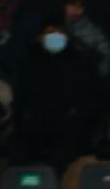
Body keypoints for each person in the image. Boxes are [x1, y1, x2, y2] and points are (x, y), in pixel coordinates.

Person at [8, 18, 104, 177]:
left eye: (60, 32)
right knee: (18, 150)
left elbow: (93, 99)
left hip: (70, 125)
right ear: (39, 37)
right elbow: (20, 100)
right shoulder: (29, 64)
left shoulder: (82, 63)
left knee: (62, 150)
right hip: (35, 124)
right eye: (50, 32)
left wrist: (76, 115)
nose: (56, 36)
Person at [61, 0, 110, 79]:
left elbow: (105, 55)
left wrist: (99, 78)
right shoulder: (56, 26)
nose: (76, 10)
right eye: (71, 5)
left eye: (80, 7)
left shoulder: (92, 30)